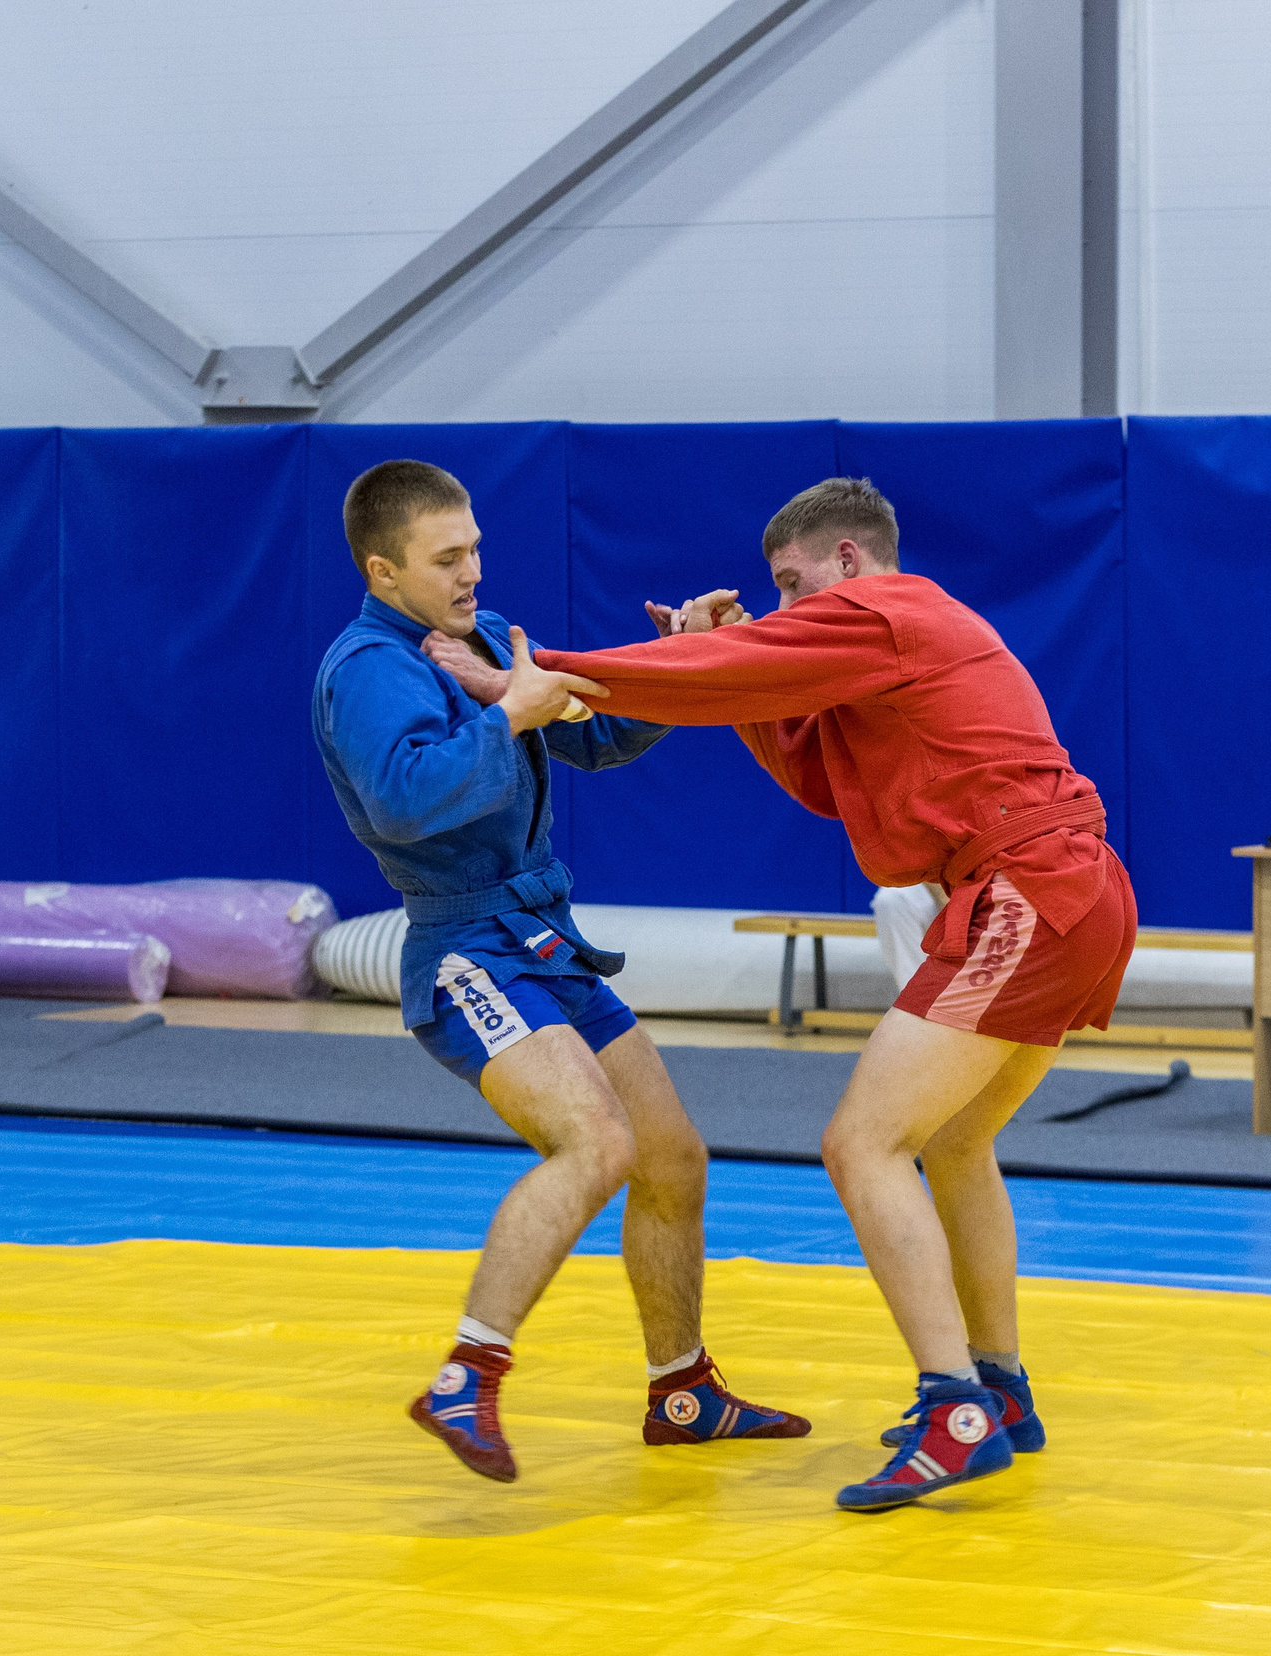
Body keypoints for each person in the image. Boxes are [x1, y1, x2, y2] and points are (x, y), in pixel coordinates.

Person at [439, 476, 1138, 1513]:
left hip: (1025, 889)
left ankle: (952, 1408)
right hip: (1067, 888)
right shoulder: (898, 631)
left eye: (790, 584)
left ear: (848, 560)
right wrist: (696, 660)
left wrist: (531, 679)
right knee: (950, 1141)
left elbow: (736, 666)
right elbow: (800, 747)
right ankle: (998, 1384)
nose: (781, 607)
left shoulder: (886, 608)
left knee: (863, 1142)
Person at [311, 459, 806, 1485]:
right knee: (595, 1143)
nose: (471, 571)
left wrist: (684, 655)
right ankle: (465, 1372)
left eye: (476, 548)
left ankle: (683, 1389)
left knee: (669, 1155)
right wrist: (513, 716)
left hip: (544, 939)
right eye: (446, 558)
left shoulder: (485, 639)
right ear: (382, 568)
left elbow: (601, 729)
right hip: (463, 947)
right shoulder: (366, 668)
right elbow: (406, 798)